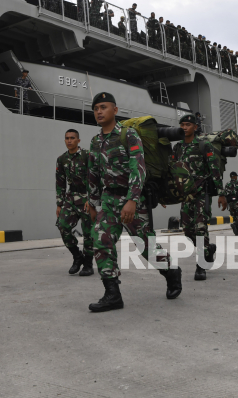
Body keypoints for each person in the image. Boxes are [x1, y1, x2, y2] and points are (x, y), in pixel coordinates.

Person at [86, 92, 181, 312]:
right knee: (101, 240)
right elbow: (93, 173)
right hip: (109, 199)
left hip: (131, 199)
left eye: (103, 107)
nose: (99, 112)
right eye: (96, 108)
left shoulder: (128, 135)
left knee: (145, 246)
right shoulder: (95, 141)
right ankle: (112, 294)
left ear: (115, 110)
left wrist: (132, 200)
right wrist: (92, 202)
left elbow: (138, 169)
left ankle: (170, 271)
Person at [170, 114, 226, 281]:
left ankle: (201, 265)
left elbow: (214, 169)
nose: (184, 127)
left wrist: (221, 193)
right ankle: (209, 249)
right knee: (188, 231)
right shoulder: (178, 147)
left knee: (200, 228)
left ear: (195, 127)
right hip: (186, 195)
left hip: (202, 192)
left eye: (188, 124)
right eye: (182, 124)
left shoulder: (204, 145)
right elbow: (172, 171)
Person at [55, 129, 95, 276]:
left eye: (72, 138)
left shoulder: (87, 155)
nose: (69, 140)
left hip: (86, 197)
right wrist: (59, 204)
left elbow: (95, 177)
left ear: (78, 140)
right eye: (67, 138)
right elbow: (60, 182)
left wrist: (92, 200)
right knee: (62, 226)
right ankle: (77, 257)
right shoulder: (62, 159)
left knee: (89, 233)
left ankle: (88, 264)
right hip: (71, 198)